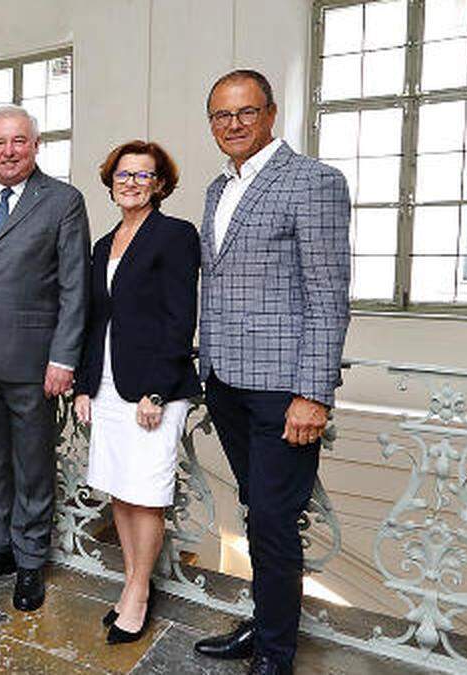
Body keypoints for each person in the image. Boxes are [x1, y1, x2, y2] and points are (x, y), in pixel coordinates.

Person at [192, 70, 350, 675]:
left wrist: (313, 392)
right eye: (220, 116)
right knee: (257, 510)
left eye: (245, 113)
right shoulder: (216, 189)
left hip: (285, 390)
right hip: (227, 382)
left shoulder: (313, 182)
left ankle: (276, 654)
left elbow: (328, 294)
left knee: (277, 523)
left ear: (272, 113)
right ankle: (264, 623)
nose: (232, 125)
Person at [0, 105, 91, 612]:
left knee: (32, 464)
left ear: (35, 145)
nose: (7, 151)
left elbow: (75, 288)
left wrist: (64, 358)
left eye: (18, 142)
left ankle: (30, 562)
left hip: (34, 360)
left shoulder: (64, 202)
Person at [73, 140, 200, 644]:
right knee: (120, 491)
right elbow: (94, 319)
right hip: (106, 382)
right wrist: (84, 385)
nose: (130, 182)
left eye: (142, 176)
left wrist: (156, 391)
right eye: (123, 175)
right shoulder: (104, 244)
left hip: (152, 388)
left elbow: (179, 318)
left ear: (160, 185)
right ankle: (130, 583)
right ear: (111, 182)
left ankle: (140, 594)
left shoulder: (175, 235)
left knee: (146, 495)